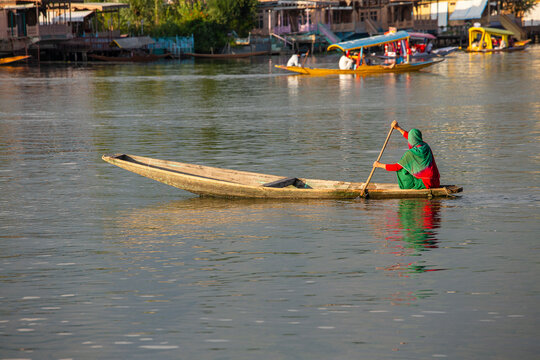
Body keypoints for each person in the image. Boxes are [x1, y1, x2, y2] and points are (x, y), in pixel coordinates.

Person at [373, 121, 440, 189]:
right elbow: (411, 137)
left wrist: (379, 165)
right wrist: (398, 128)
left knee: (402, 170)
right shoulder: (425, 146)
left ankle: (408, 186)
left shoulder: (411, 153)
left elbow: (396, 167)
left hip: (425, 184)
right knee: (409, 168)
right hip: (435, 182)